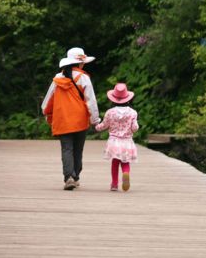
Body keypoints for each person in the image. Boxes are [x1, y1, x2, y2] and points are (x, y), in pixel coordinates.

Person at [41, 47, 100, 190]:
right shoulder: (83, 78)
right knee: (78, 150)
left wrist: (48, 115)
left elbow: (47, 102)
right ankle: (76, 176)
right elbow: (90, 101)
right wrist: (95, 120)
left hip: (62, 120)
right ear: (79, 63)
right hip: (80, 120)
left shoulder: (57, 79)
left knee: (67, 149)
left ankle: (69, 177)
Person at [95, 82, 139, 191]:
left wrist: (96, 127)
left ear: (113, 99)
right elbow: (134, 128)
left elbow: (104, 125)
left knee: (115, 163)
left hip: (114, 142)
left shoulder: (110, 112)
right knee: (125, 162)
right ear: (128, 98)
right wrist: (133, 127)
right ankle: (126, 173)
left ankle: (114, 184)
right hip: (127, 142)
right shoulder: (132, 113)